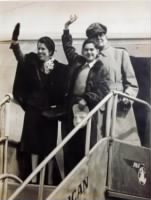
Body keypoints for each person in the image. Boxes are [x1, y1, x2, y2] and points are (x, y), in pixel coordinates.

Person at [10, 23, 69, 185]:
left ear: (50, 51)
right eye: (39, 48)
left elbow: (60, 92)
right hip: (33, 112)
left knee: (48, 148)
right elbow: (20, 59)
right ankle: (34, 179)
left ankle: (49, 180)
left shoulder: (59, 69)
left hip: (49, 113)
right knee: (33, 147)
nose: (40, 51)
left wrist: (50, 75)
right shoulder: (32, 62)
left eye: (43, 48)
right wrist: (15, 44)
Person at [62, 16, 110, 175]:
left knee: (85, 146)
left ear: (97, 52)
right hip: (71, 109)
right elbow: (68, 48)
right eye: (86, 50)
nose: (89, 52)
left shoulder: (101, 69)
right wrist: (66, 28)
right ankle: (68, 182)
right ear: (83, 51)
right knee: (69, 145)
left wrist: (87, 98)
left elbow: (103, 91)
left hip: (88, 110)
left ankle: (83, 180)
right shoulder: (78, 62)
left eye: (92, 50)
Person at [85, 22, 141, 145]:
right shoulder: (90, 57)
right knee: (100, 147)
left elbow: (132, 84)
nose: (99, 37)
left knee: (125, 147)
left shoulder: (120, 54)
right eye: (95, 36)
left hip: (119, 107)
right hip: (100, 109)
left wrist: (127, 98)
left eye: (102, 34)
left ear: (106, 35)